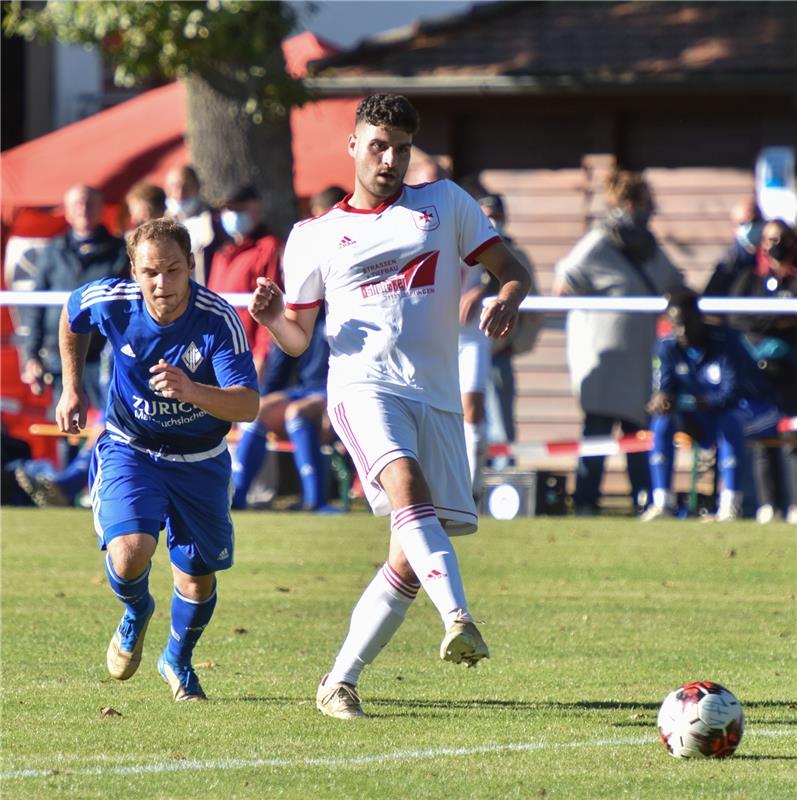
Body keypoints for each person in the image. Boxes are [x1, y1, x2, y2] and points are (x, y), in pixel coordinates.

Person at [247, 93, 531, 718]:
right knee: (404, 483)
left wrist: (507, 296)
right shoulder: (314, 236)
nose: (390, 159)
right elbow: (298, 335)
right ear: (352, 146)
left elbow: (512, 267)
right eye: (378, 145)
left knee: (407, 556)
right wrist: (273, 320)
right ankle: (457, 616)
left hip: (436, 396)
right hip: (361, 389)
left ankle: (338, 681)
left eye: (401, 149)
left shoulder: (444, 203)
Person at [55, 218, 259, 700]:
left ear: (191, 265)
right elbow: (70, 314)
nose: (161, 283)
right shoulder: (113, 300)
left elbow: (247, 405)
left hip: (201, 459)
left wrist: (192, 390)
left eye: (172, 269)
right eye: (150, 272)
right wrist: (71, 386)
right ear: (134, 270)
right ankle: (135, 610)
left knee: (196, 576)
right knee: (129, 552)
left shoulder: (217, 319)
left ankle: (178, 659)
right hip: (132, 448)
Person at [553, 169, 685, 516]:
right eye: (646, 203)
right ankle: (585, 502)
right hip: (604, 355)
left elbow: (676, 284)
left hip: (638, 358)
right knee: (597, 431)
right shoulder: (601, 240)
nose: (651, 210)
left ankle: (645, 498)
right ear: (630, 203)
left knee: (639, 434)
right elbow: (565, 281)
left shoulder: (648, 247)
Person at [640, 288, 775, 522]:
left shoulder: (726, 341)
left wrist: (688, 404)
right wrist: (661, 400)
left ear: (698, 318)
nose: (681, 331)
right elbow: (665, 388)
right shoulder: (668, 347)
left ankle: (730, 504)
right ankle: (663, 503)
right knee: (661, 422)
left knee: (729, 420)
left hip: (754, 411)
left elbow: (731, 394)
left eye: (686, 323)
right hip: (703, 415)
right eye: (675, 325)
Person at [21, 184, 128, 412]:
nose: (83, 209)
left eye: (89, 203)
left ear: (100, 209)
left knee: (108, 425)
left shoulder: (120, 251)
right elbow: (36, 306)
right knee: (65, 429)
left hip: (104, 359)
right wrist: (31, 356)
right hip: (59, 358)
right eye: (77, 204)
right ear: (67, 211)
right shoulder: (53, 251)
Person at [728, 219, 797, 524]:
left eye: (781, 238)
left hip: (791, 371)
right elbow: (738, 318)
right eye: (769, 239)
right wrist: (775, 322)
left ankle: (795, 504)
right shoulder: (750, 280)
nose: (775, 245)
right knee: (762, 436)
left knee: (793, 437)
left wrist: (766, 321)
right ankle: (768, 504)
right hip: (758, 374)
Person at [478, 193, 541, 468]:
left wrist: (517, 344)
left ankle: (501, 491)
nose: (493, 222)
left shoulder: (516, 256)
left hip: (498, 355)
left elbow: (535, 309)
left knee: (501, 430)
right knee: (464, 428)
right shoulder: (462, 251)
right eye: (487, 216)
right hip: (460, 353)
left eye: (497, 217)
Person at [208, 183, 282, 376]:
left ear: (256, 208)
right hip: (219, 356)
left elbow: (271, 308)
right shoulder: (222, 255)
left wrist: (261, 355)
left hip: (249, 358)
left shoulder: (268, 249)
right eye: (226, 210)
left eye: (237, 209)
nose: (231, 214)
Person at [164, 164, 227, 285]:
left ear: (197, 187)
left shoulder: (215, 220)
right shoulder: (159, 224)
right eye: (175, 186)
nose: (180, 193)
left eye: (186, 186)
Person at [703, 198, 764, 298]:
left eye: (754, 221)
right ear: (734, 228)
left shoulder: (771, 258)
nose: (750, 226)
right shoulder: (728, 264)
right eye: (743, 223)